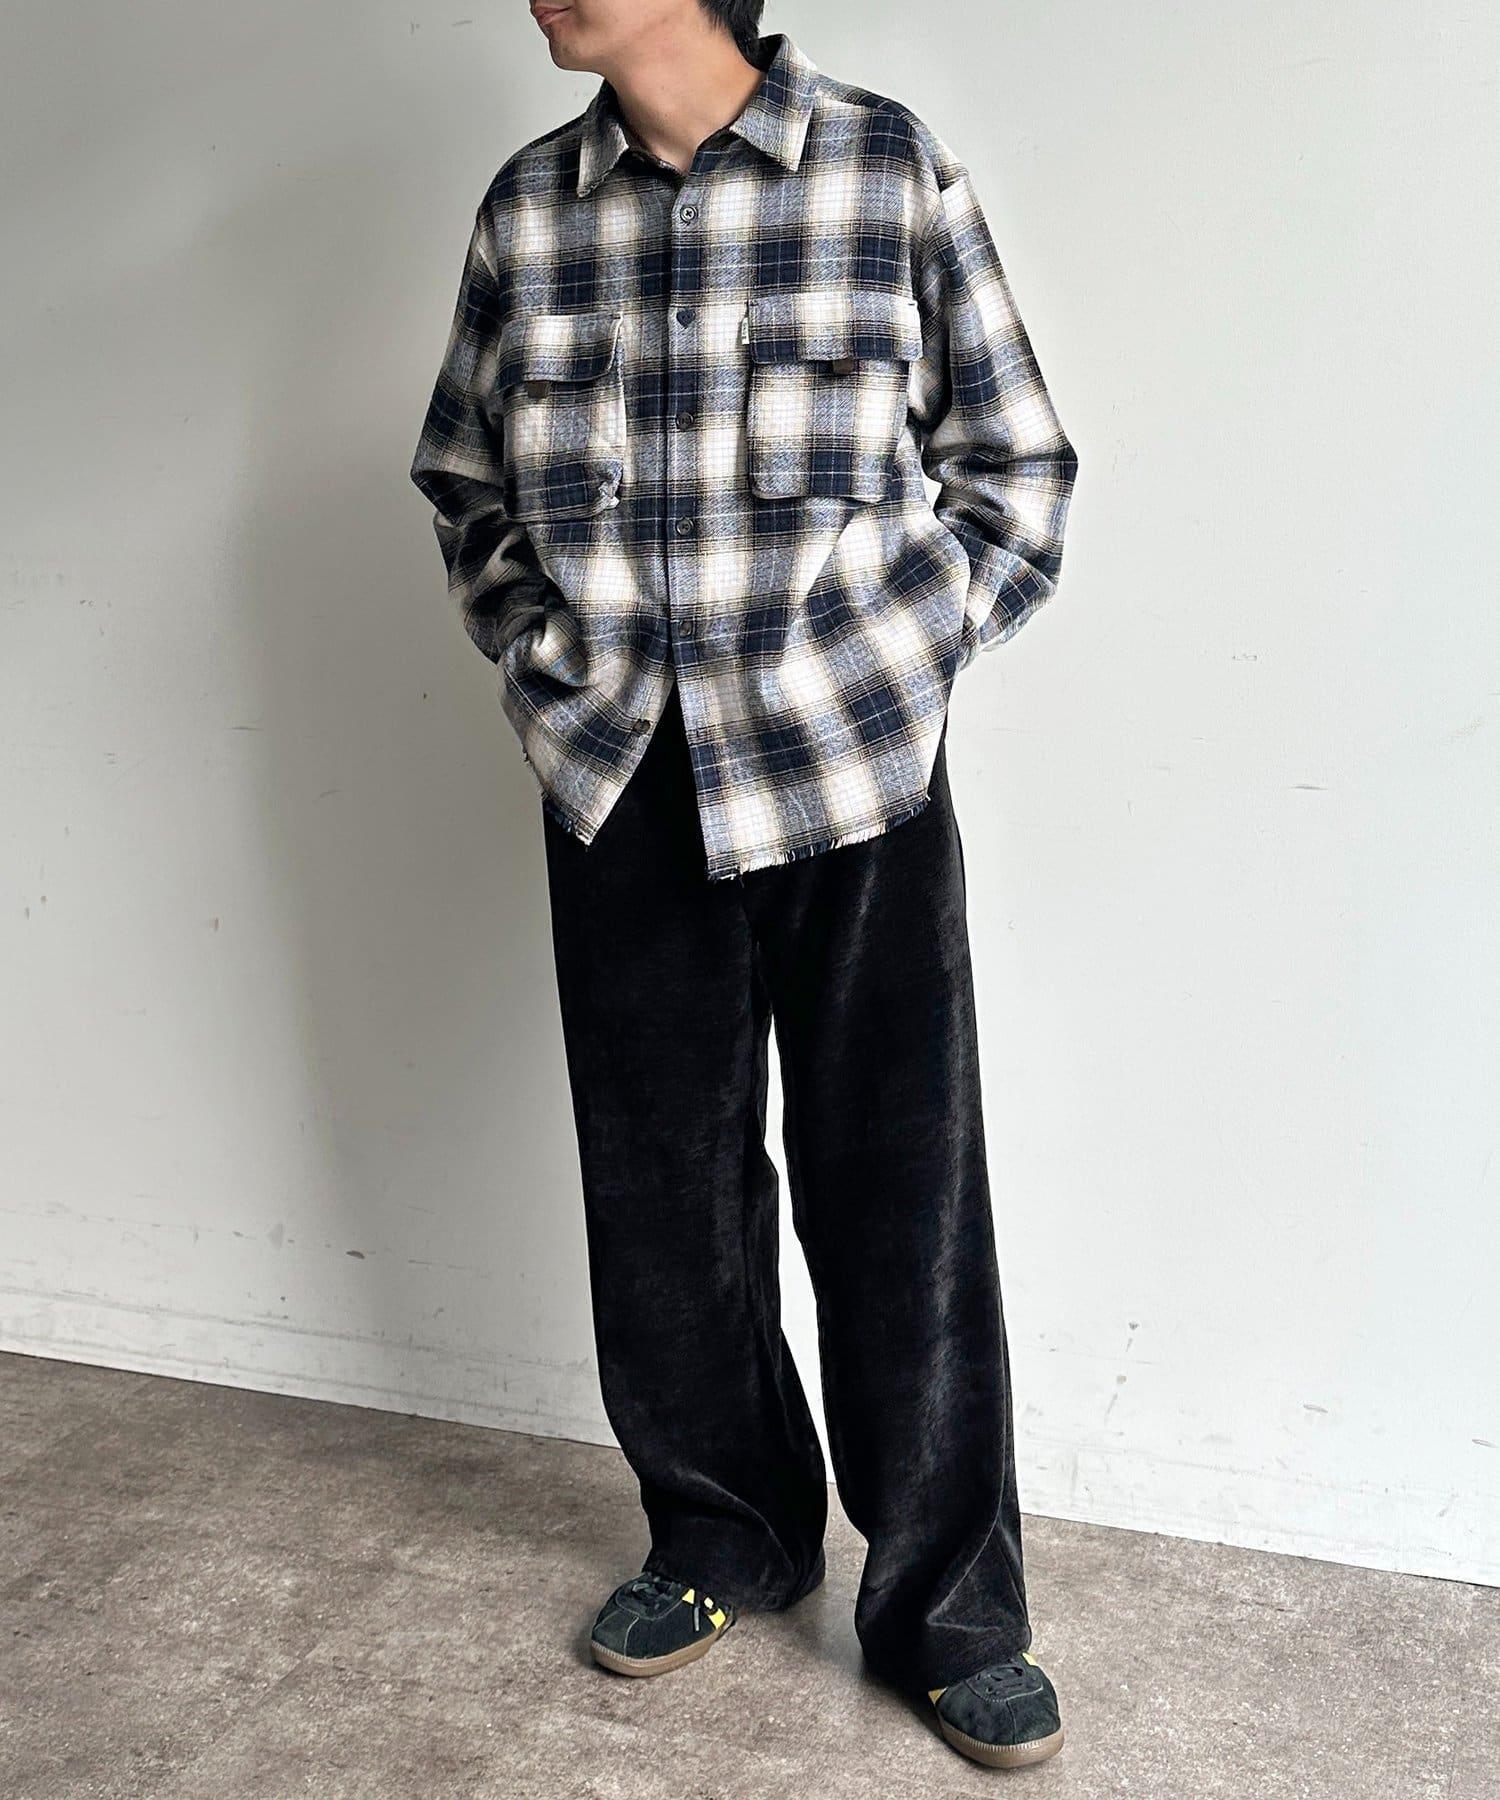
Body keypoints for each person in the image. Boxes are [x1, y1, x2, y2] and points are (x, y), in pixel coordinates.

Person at [410, 0, 1077, 1771]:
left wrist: (896, 667)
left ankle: (949, 1609)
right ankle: (725, 1533)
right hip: (622, 776)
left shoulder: (882, 168)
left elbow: (1016, 470)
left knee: (901, 1193)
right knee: (664, 1188)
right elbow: (463, 476)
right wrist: (548, 665)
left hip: (851, 777)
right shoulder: (529, 210)